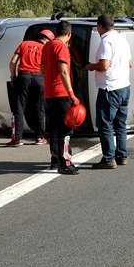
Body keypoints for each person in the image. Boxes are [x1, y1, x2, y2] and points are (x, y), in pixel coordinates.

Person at [86, 14, 133, 169]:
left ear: (100, 26)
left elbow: (104, 66)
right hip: (124, 86)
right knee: (120, 123)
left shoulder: (106, 42)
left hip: (109, 88)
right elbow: (130, 63)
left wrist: (91, 66)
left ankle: (108, 159)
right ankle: (122, 155)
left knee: (105, 123)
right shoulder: (122, 40)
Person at [41, 20, 80, 175]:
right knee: (65, 130)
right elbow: (63, 71)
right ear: (69, 34)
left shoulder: (47, 46)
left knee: (55, 129)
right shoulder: (62, 47)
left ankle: (55, 160)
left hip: (49, 93)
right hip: (61, 93)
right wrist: (72, 94)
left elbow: (42, 68)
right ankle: (66, 163)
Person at [6, 29, 54, 147]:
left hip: (23, 76)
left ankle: (17, 138)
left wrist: (13, 76)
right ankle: (39, 137)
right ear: (48, 40)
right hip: (39, 78)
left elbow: (13, 62)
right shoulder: (46, 49)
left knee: (19, 108)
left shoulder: (24, 44)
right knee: (39, 108)